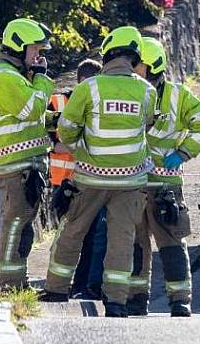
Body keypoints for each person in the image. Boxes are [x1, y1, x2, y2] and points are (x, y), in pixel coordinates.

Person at [41, 26, 157, 318]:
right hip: (131, 180)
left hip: (91, 177)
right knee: (122, 238)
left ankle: (56, 290)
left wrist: (81, 149)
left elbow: (66, 130)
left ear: (108, 54)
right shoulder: (147, 90)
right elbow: (147, 126)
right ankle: (116, 302)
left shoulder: (89, 87)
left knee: (72, 231)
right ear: (134, 58)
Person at [127, 38, 200, 317]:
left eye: (137, 66)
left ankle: (180, 300)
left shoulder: (177, 95)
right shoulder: (133, 92)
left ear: (153, 66)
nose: (133, 71)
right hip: (136, 183)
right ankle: (137, 299)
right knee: (136, 245)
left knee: (171, 243)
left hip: (161, 185)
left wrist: (184, 152)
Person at [0, 18, 55, 292]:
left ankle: (12, 283)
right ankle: (10, 286)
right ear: (18, 47)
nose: (39, 56)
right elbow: (32, 109)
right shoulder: (6, 77)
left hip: (22, 164)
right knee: (16, 226)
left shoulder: (12, 76)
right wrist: (44, 81)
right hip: (16, 165)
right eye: (36, 50)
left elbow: (33, 118)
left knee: (20, 225)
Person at [48, 59, 107, 301]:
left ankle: (79, 285)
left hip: (89, 182)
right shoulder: (58, 102)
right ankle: (60, 284)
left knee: (91, 237)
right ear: (81, 81)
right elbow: (53, 142)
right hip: (64, 183)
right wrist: (87, 146)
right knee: (67, 235)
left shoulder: (99, 105)